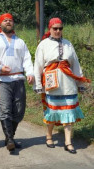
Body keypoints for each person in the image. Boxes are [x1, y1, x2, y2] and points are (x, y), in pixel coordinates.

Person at [34, 17, 90, 154]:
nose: (58, 31)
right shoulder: (43, 44)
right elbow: (38, 66)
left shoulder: (68, 44)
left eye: (60, 28)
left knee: (69, 111)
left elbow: (75, 64)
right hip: (51, 81)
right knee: (52, 111)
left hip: (68, 82)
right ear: (50, 29)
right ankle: (49, 136)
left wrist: (80, 83)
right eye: (55, 28)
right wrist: (38, 84)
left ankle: (68, 142)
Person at [0, 13, 34, 153]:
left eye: (10, 20)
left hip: (18, 79)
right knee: (5, 109)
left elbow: (27, 59)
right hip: (1, 80)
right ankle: (10, 139)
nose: (8, 22)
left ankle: (10, 137)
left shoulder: (20, 42)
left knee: (19, 110)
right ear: (0, 24)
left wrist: (30, 73)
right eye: (5, 21)